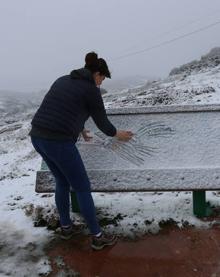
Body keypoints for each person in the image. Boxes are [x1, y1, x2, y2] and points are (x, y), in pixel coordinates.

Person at [29, 52, 133, 250]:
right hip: (58, 142)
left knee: (62, 181)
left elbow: (61, 109)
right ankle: (97, 236)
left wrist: (80, 129)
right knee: (82, 187)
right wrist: (117, 134)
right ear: (97, 73)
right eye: (102, 78)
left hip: (37, 137)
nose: (101, 83)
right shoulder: (91, 90)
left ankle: (66, 228)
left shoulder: (62, 80)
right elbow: (102, 122)